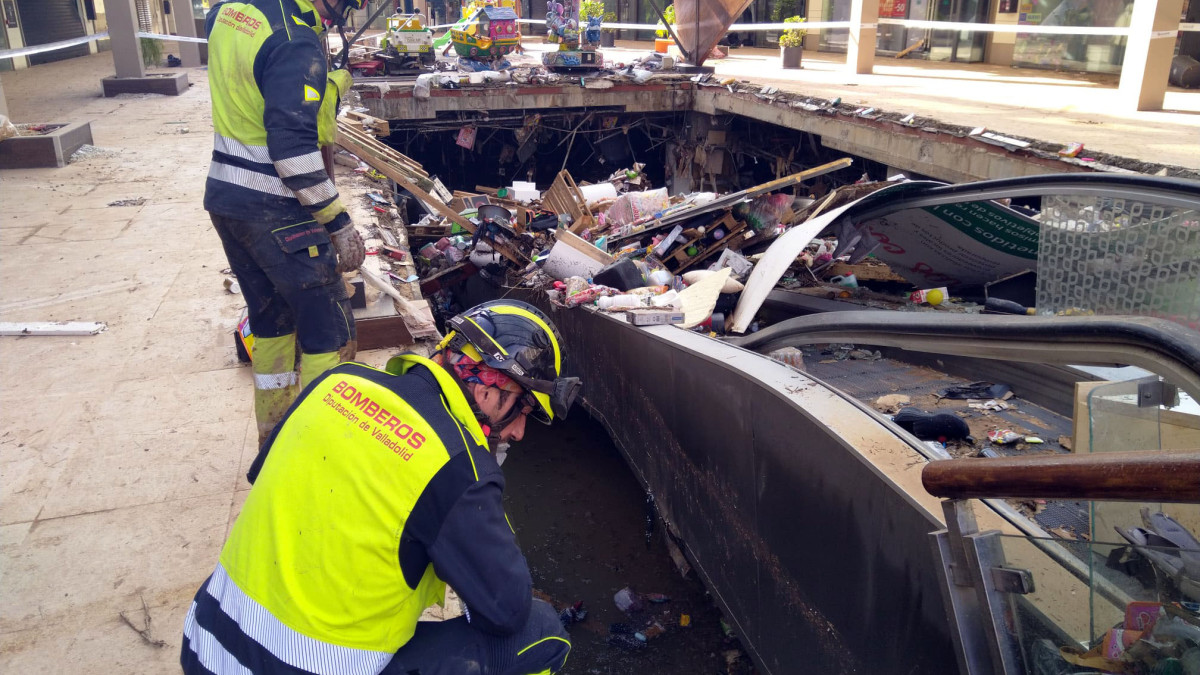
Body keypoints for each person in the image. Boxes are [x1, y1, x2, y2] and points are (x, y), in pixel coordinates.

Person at [181, 300, 582, 675]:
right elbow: (506, 610)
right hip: (299, 665)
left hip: (205, 643)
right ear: (487, 388)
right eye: (524, 408)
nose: (519, 431)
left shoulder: (337, 382)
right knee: (542, 633)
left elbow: (265, 477)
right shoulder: (459, 470)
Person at [205, 0, 367, 444]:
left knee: (273, 328)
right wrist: (338, 221)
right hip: (277, 210)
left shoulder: (227, 12)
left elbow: (258, 91)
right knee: (330, 333)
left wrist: (322, 85)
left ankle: (273, 441)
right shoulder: (296, 41)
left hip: (228, 200)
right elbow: (292, 152)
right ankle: (317, 451)